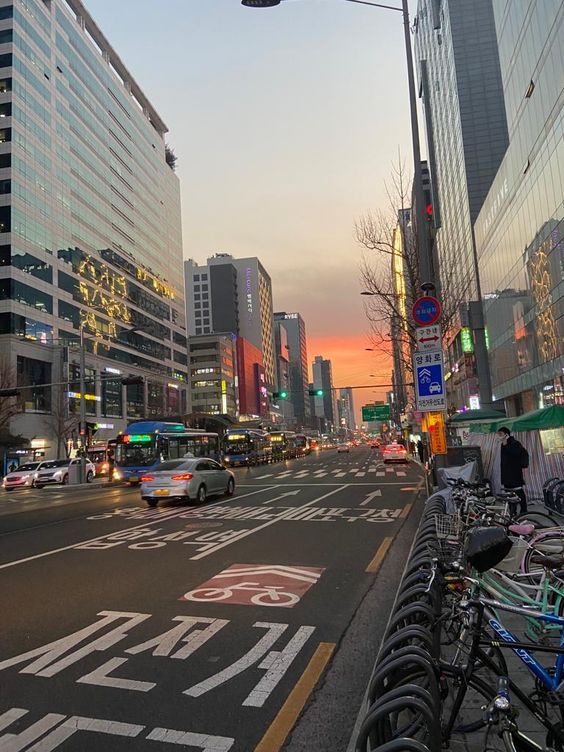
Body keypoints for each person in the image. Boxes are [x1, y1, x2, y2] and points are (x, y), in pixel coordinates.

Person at [498, 426, 528, 516]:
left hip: (515, 473)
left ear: (506, 435)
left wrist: (506, 443)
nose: (499, 436)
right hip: (506, 474)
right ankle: (512, 510)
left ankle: (524, 510)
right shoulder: (502, 444)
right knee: (509, 493)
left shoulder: (515, 443)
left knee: (518, 492)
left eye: (501, 434)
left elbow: (515, 454)